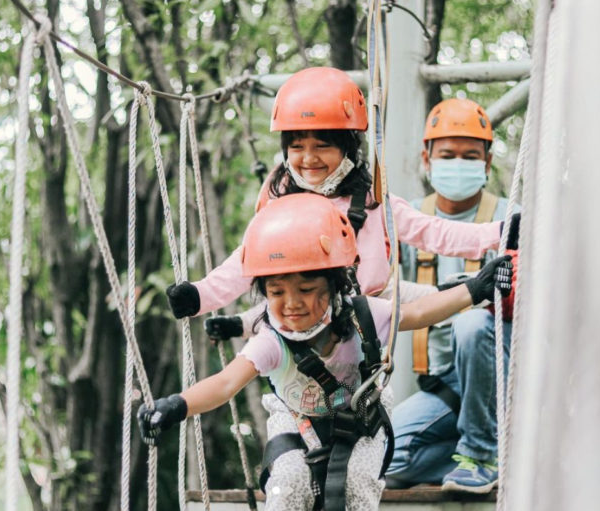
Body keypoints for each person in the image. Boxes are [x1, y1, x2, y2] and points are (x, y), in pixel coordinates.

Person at [137, 194, 512, 511]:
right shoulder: (271, 338)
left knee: (358, 487)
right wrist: (176, 405)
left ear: (334, 286)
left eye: (306, 288)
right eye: (277, 292)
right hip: (295, 420)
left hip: (361, 420)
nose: (291, 304)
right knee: (287, 487)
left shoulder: (363, 314)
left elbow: (415, 313)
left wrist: (475, 289)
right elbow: (225, 383)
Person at [165, 67, 520, 332]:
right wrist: (199, 296)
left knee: (432, 299)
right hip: (311, 306)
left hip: (375, 299)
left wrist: (500, 232)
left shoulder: (372, 201)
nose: (309, 158)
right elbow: (245, 262)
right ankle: (243, 324)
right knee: (279, 311)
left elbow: (435, 233)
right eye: (298, 148)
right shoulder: (281, 205)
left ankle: (462, 289)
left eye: (322, 146)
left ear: (347, 149)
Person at [385, 98, 520, 494]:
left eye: (469, 156)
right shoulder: (410, 218)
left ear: (487, 162)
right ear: (427, 159)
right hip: (448, 381)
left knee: (472, 321)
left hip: (502, 363)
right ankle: (499, 453)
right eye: (447, 155)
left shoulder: (512, 218)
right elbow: (384, 288)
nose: (457, 164)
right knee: (384, 458)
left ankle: (480, 453)